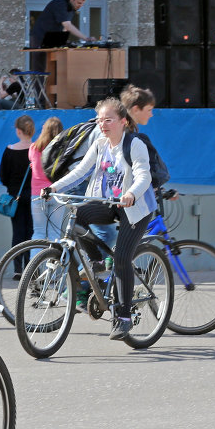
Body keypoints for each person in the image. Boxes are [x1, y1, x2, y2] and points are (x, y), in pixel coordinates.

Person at [45, 97, 157, 341]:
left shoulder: (134, 144)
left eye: (108, 120)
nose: (103, 124)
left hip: (134, 208)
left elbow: (143, 175)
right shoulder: (99, 143)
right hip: (107, 203)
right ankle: (96, 262)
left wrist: (131, 193)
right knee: (78, 216)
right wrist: (53, 187)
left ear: (123, 122)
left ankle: (124, 316)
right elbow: (80, 172)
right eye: (99, 120)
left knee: (121, 259)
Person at [0, 115, 34, 278]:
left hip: (15, 196)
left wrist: (12, 187)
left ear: (18, 131)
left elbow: (3, 176)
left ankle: (18, 268)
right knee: (32, 232)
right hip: (33, 194)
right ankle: (32, 266)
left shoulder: (9, 151)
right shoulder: (37, 149)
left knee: (17, 232)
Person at [29, 0, 93, 72]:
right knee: (40, 67)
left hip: (51, 37)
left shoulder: (72, 8)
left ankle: (55, 84)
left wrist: (62, 41)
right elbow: (68, 25)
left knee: (55, 65)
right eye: (79, 3)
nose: (80, 6)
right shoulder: (60, 5)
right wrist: (85, 38)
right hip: (39, 36)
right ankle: (39, 85)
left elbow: (65, 28)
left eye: (82, 4)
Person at [29, 116, 64, 241]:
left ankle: (36, 260)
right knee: (55, 233)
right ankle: (55, 260)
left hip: (37, 194)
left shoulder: (34, 148)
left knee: (38, 233)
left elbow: (33, 164)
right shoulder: (63, 149)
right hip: (57, 192)